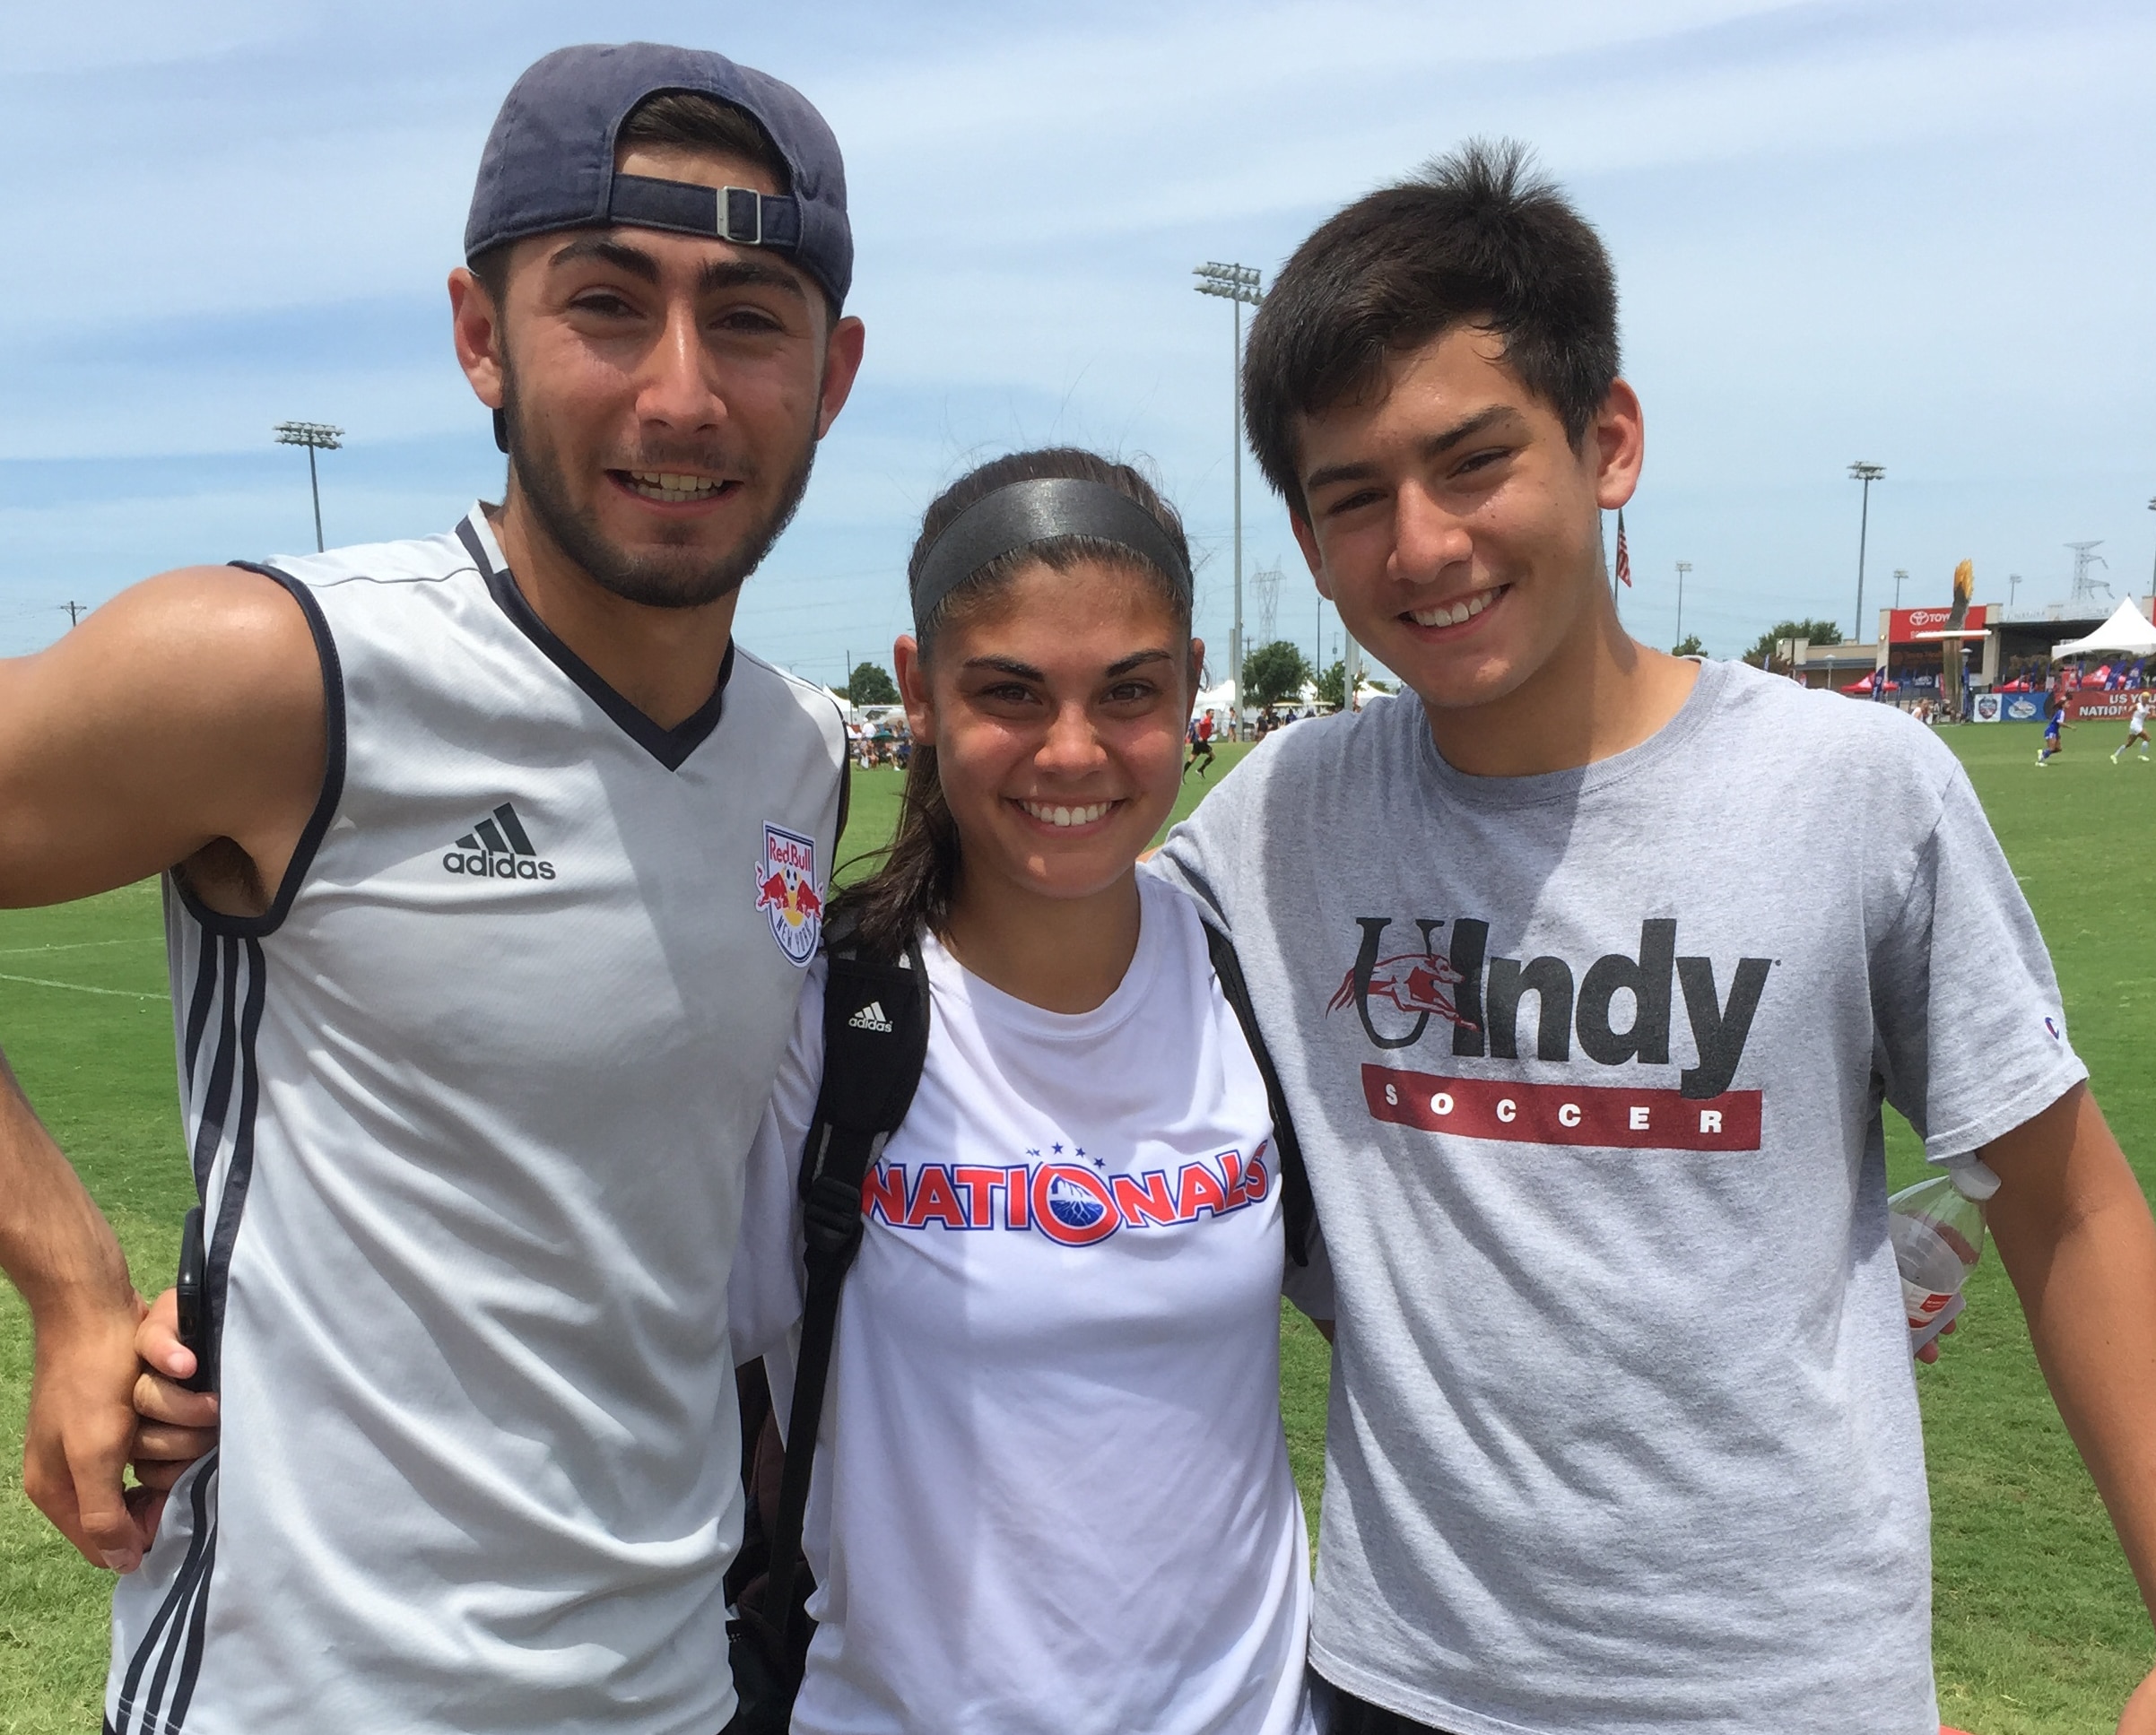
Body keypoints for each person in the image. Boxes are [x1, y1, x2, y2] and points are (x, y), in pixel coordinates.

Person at [1149, 142, 2156, 1734]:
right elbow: (1053, 997)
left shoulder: (1849, 788)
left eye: (1471, 461)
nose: (1417, 546)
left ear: (1605, 441)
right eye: (1352, 499)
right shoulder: (1281, 812)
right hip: (1397, 1682)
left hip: (1775, 1684)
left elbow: (2064, 1210)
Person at [0, 43, 863, 1734]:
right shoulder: (280, 668)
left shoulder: (802, 757)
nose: (680, 394)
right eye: (607, 304)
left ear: (830, 375)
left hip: (667, 1685)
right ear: (481, 334)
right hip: (302, 1691)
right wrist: (71, 1282)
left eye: (748, 318)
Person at [722, 445, 1326, 1734]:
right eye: (1009, 691)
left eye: (1128, 691)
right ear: (918, 692)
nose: (1072, 750)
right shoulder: (823, 1022)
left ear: (1185, 690)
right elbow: (610, 1346)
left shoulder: (1247, 975)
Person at [2114, 694, 2150, 763]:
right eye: (2144, 698)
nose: (2146, 699)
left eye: (2147, 698)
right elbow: (2129, 711)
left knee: (2129, 743)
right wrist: (2125, 710)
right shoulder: (2137, 705)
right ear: (2142, 698)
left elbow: (2145, 717)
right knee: (2147, 738)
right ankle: (2142, 755)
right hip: (2135, 725)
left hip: (2139, 725)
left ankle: (2115, 755)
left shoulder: (2147, 707)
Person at [1186, 705, 1218, 777]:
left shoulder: (1208, 722)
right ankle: (1200, 770)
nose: (1213, 715)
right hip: (1201, 742)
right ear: (1208, 714)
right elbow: (1197, 725)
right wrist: (1199, 736)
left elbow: (1207, 733)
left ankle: (1182, 775)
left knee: (1192, 760)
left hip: (1200, 742)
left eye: (1213, 713)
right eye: (1212, 713)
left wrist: (1214, 732)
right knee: (1212, 756)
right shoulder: (1206, 721)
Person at [2039, 692, 2067, 764]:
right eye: (2067, 703)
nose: (2069, 704)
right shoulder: (2061, 712)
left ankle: (2043, 753)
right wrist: (2070, 727)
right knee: (2051, 748)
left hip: (2055, 731)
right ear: (2063, 705)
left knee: (2058, 749)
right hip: (2051, 731)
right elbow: (2060, 723)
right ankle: (2041, 760)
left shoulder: (2060, 712)